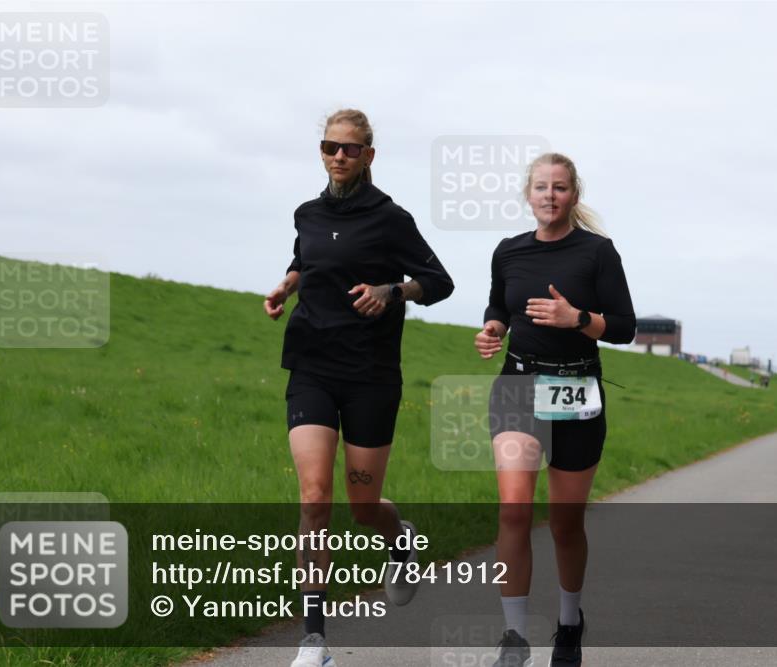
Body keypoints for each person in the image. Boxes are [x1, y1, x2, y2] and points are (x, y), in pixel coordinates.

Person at [263, 109, 454, 667]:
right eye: (329, 147)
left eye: (349, 149)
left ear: (369, 155)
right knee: (314, 497)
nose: (338, 157)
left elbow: (439, 282)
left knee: (363, 504)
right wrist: (285, 287)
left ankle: (401, 539)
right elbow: (306, 260)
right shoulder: (307, 213)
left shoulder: (391, 219)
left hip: (371, 376)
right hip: (312, 368)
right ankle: (314, 639)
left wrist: (393, 291)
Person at [474, 153, 636, 667]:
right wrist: (493, 330)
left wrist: (578, 317)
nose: (549, 195)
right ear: (528, 194)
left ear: (574, 195)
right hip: (519, 385)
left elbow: (626, 327)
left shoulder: (598, 253)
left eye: (560, 188)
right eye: (541, 187)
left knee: (565, 523)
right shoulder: (508, 251)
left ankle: (569, 625)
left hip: (576, 389)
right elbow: (499, 304)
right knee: (515, 510)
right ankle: (515, 638)